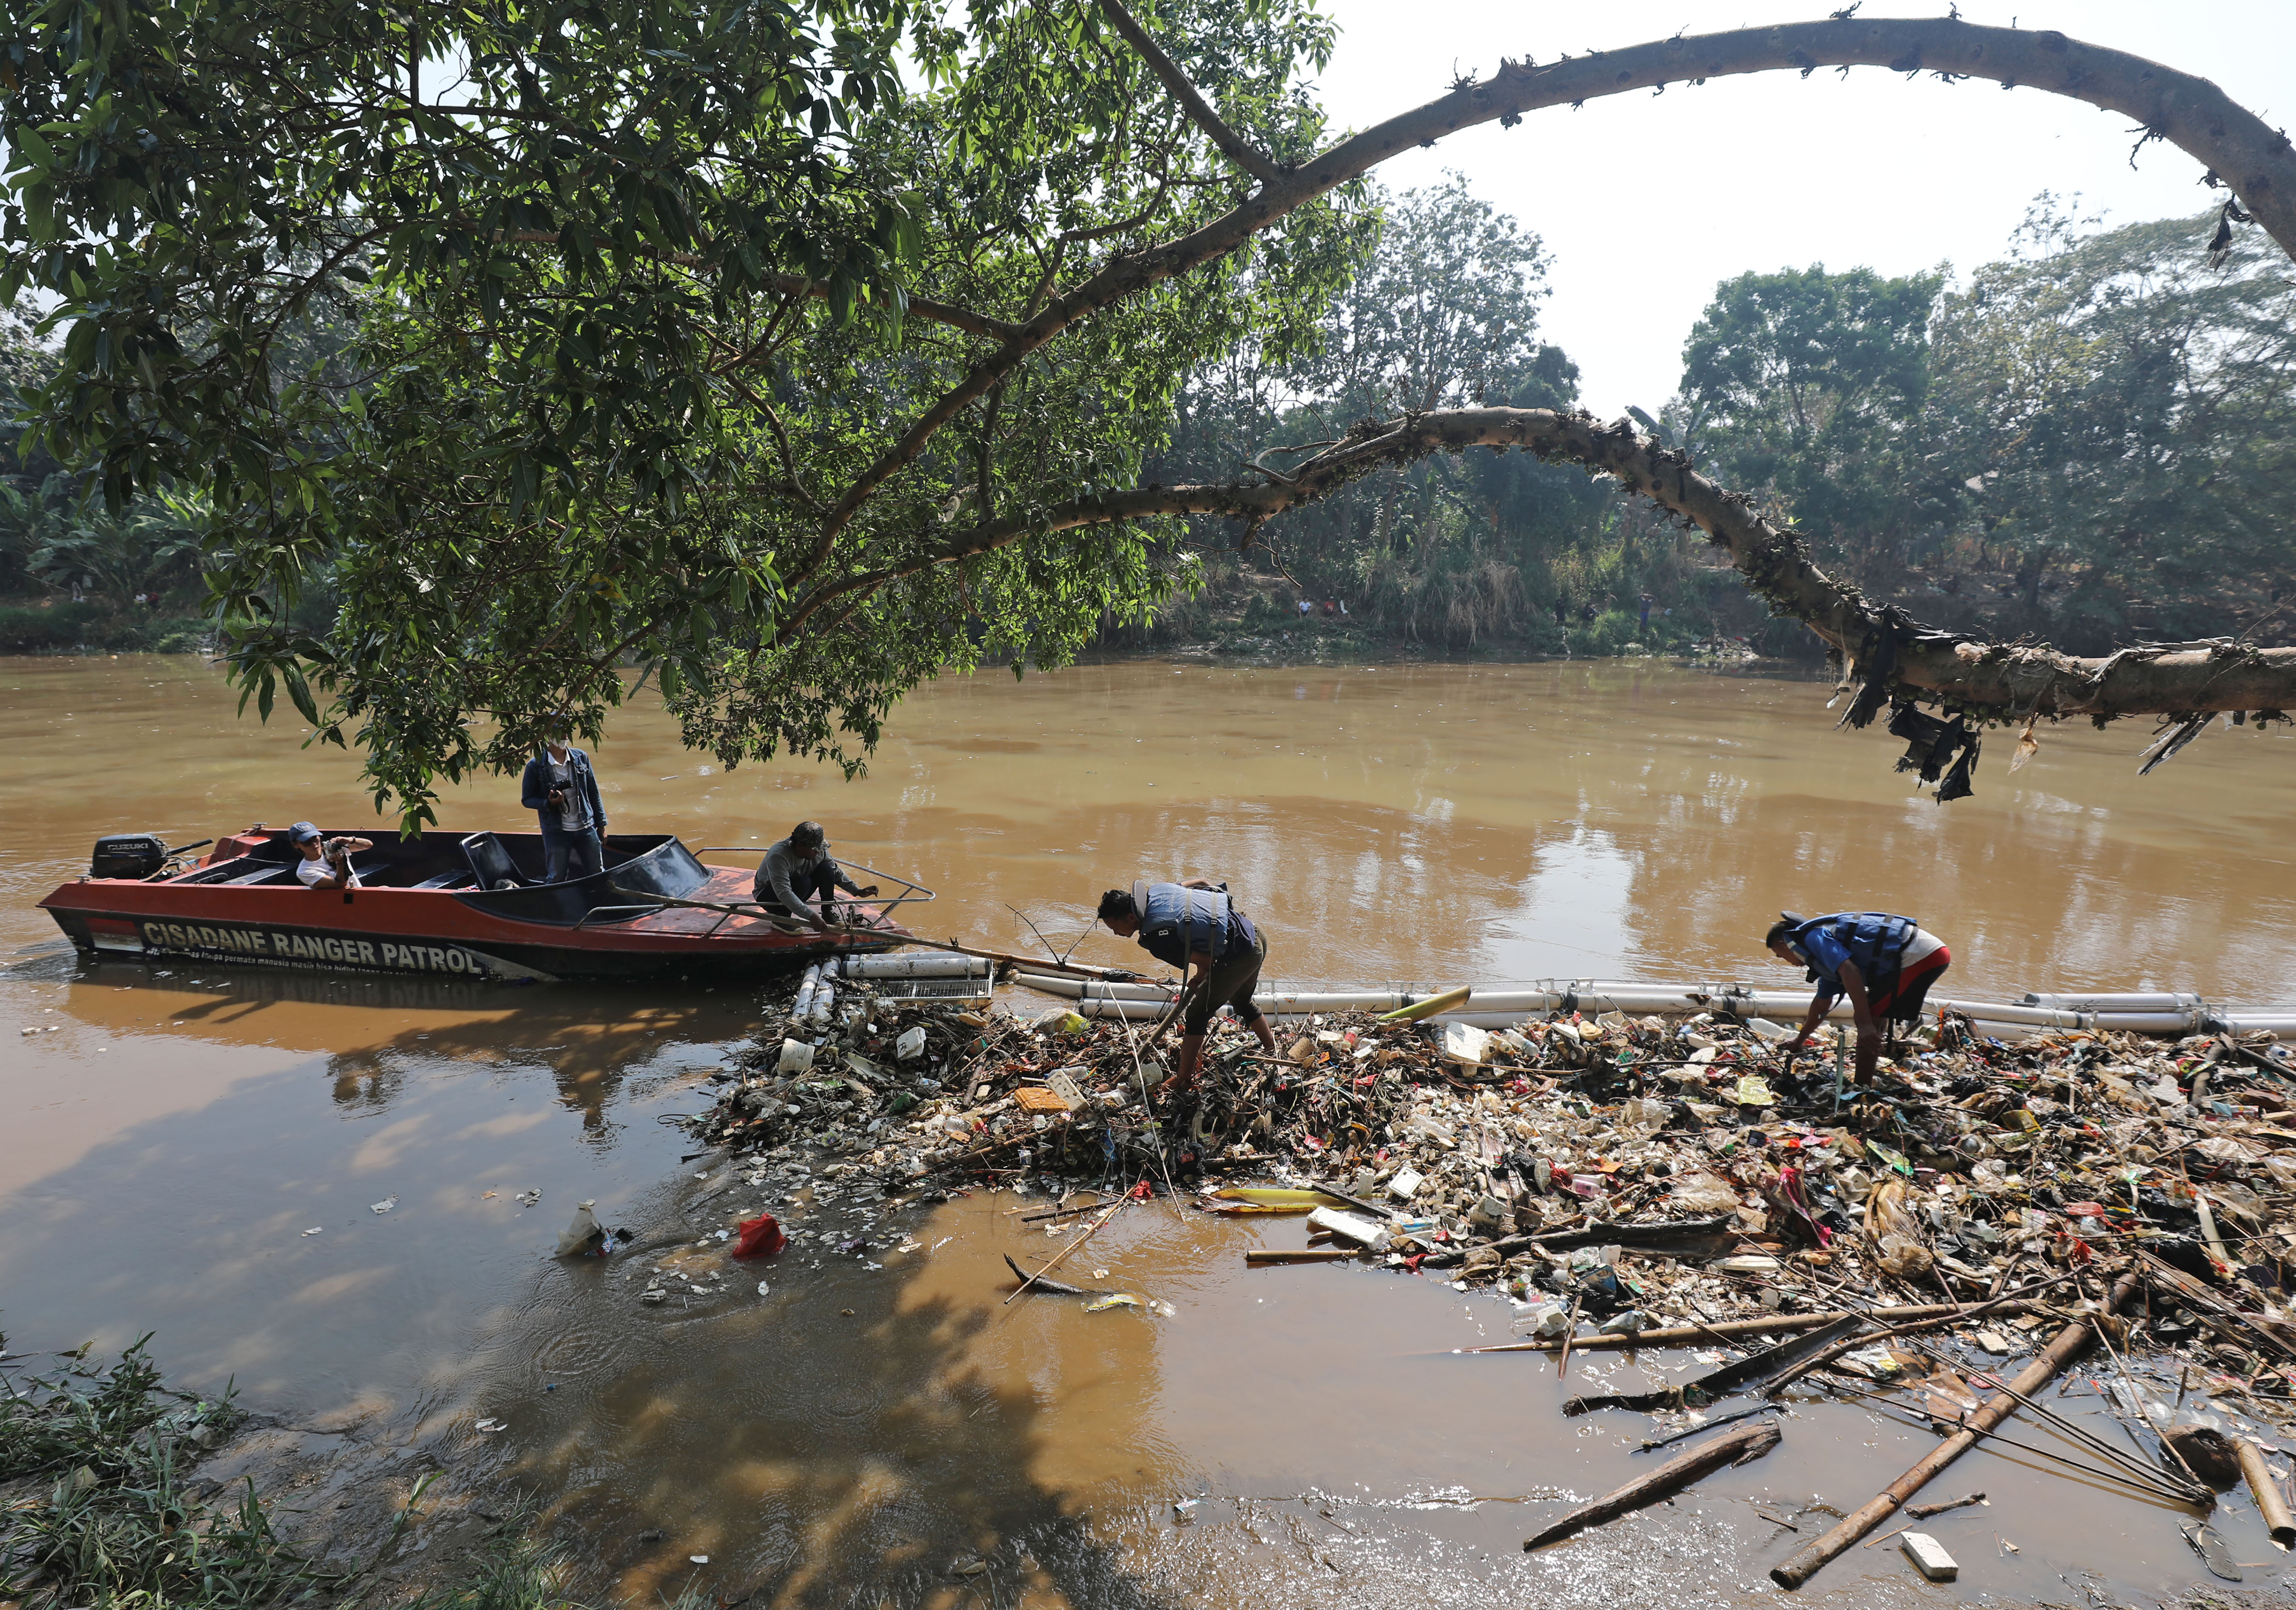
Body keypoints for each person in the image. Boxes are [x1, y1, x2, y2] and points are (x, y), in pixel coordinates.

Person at [1097, 879, 1277, 1102]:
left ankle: (1184, 1077)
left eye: (1115, 928)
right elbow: (1201, 883)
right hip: (1253, 933)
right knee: (1241, 1001)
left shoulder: (1156, 938)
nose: (1116, 933)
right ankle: (1272, 1051)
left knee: (1196, 1014)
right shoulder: (1158, 891)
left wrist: (1198, 978)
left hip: (1241, 956)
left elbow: (1207, 960)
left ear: (1131, 917)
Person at [1765, 911, 1951, 1083]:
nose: (1787, 962)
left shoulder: (1814, 938)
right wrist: (1799, 1041)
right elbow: (1822, 1005)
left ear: (1783, 944)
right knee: (1874, 1011)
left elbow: (1850, 971)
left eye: (1779, 955)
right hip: (1921, 954)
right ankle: (1868, 1063)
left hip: (1924, 956)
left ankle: (1861, 1088)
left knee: (1870, 1015)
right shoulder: (1820, 957)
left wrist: (1864, 1024)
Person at [519, 722, 608, 883]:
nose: (565, 736)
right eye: (559, 732)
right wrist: (549, 803)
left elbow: (594, 792)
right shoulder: (536, 765)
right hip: (556, 831)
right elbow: (527, 800)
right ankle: (557, 906)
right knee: (557, 877)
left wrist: (601, 825)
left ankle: (601, 904)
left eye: (567, 732)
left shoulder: (581, 758)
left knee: (598, 873)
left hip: (586, 827)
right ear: (547, 736)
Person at [754, 821, 878, 931]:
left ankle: (827, 913)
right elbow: (783, 891)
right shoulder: (779, 856)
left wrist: (857, 891)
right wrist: (811, 916)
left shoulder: (819, 850)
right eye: (814, 849)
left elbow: (835, 871)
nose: (818, 852)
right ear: (800, 846)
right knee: (804, 882)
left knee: (827, 870)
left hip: (798, 888)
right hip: (769, 895)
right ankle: (782, 919)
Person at [289, 821, 371, 890]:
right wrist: (340, 863)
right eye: (307, 842)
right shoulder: (304, 871)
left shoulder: (334, 847)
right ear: (296, 845)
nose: (314, 844)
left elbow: (368, 845)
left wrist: (350, 840)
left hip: (359, 893)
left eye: (315, 838)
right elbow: (340, 884)